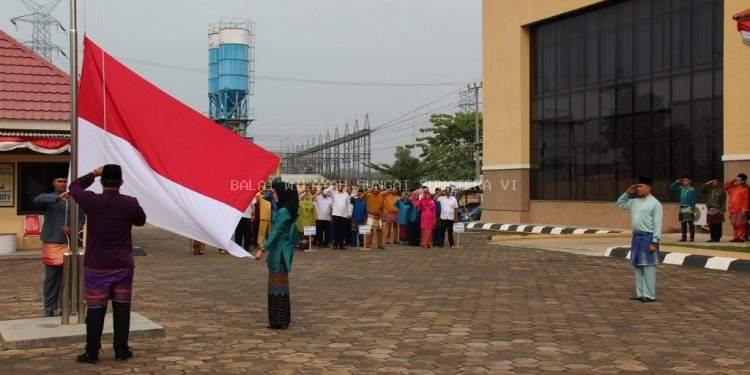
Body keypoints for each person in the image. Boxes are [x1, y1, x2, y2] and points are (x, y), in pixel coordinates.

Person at [70, 164, 146, 363]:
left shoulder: (92, 201)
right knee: (122, 310)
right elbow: (141, 220)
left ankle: (92, 352)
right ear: (121, 182)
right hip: (122, 265)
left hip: (97, 266)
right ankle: (121, 351)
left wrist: (93, 173)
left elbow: (74, 186)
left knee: (95, 311)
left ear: (102, 182)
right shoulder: (129, 203)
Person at [33, 176, 85, 317]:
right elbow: (36, 200)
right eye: (59, 181)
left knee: (68, 277)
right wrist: (57, 198)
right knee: (51, 278)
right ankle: (49, 307)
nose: (63, 184)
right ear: (53, 183)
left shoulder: (76, 200)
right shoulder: (49, 198)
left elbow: (81, 219)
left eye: (65, 181)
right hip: (52, 243)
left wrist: (73, 229)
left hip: (69, 243)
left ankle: (65, 306)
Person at [256, 177, 299, 329]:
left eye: (275, 192)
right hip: (283, 250)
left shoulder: (283, 212)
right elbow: (268, 196)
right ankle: (283, 318)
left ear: (282, 193)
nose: (272, 194)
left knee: (277, 286)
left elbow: (274, 233)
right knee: (281, 286)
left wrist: (262, 249)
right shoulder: (288, 208)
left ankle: (278, 320)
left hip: (279, 252)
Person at [616, 177, 662, 303]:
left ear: (649, 188)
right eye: (637, 186)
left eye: (641, 186)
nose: (638, 189)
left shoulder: (655, 203)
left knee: (648, 267)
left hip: (648, 238)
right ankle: (640, 293)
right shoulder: (634, 201)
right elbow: (620, 203)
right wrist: (628, 191)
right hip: (636, 237)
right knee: (637, 266)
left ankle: (650, 295)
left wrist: (655, 241)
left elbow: (657, 223)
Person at [324, 181, 351, 250]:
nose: (340, 187)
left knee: (342, 230)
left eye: (342, 186)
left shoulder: (346, 194)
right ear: (337, 186)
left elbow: (349, 204)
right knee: (336, 230)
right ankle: (335, 245)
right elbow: (324, 192)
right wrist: (332, 187)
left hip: (344, 215)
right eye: (339, 185)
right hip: (335, 214)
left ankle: (341, 245)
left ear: (343, 186)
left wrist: (349, 213)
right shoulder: (333, 193)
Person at [669, 176, 697, 242]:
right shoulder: (681, 188)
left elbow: (694, 199)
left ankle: (691, 238)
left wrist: (692, 208)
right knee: (683, 223)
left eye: (686, 180)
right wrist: (676, 182)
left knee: (690, 223)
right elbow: (672, 188)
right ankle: (684, 238)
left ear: (689, 181)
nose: (684, 181)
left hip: (688, 207)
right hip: (682, 207)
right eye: (683, 180)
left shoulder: (692, 189)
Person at [724, 175, 749, 242]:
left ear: (742, 181)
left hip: (740, 210)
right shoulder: (732, 189)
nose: (737, 181)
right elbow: (726, 186)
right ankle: (736, 237)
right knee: (734, 224)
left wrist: (744, 210)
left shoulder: (744, 189)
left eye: (739, 180)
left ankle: (741, 237)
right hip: (732, 209)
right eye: (736, 180)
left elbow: (745, 200)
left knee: (740, 224)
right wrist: (733, 180)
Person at [701, 178, 726, 242]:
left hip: (718, 209)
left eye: (715, 181)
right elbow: (701, 191)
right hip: (710, 210)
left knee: (717, 225)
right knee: (711, 225)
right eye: (713, 181)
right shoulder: (709, 189)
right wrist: (707, 184)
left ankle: (717, 238)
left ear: (718, 182)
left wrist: (722, 210)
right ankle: (712, 238)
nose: (714, 182)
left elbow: (723, 201)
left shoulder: (721, 190)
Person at [363, 184, 387, 249]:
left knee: (379, 231)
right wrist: (369, 190)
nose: (375, 189)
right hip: (371, 215)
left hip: (379, 216)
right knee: (369, 231)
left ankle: (380, 245)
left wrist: (383, 215)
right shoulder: (368, 195)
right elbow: (362, 196)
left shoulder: (381, 196)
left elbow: (383, 206)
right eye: (374, 188)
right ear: (372, 189)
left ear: (379, 189)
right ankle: (368, 245)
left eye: (377, 188)